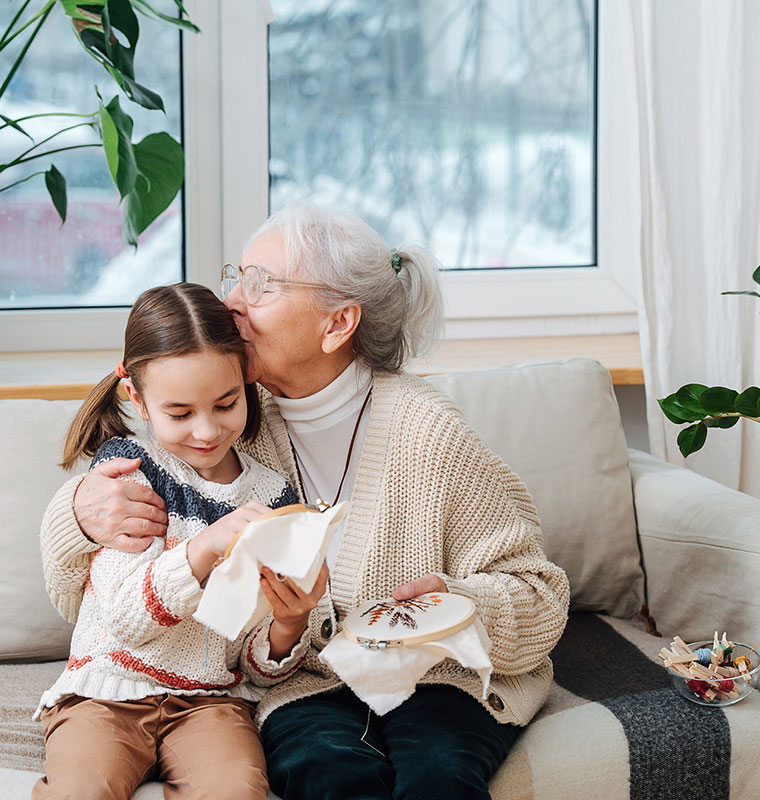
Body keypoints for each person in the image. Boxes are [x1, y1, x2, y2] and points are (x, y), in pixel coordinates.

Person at [40, 204, 570, 800]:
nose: (233, 301)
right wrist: (80, 512)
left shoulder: (428, 433)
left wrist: (459, 602)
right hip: (306, 685)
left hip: (436, 683)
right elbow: (82, 590)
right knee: (327, 777)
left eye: (261, 285)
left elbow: (540, 594)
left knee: (437, 780)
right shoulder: (230, 423)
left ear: (337, 322)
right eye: (236, 276)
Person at [34, 282, 328, 800]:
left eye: (226, 403)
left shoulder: (273, 494)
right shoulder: (128, 472)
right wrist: (204, 548)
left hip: (212, 703)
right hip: (107, 694)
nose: (207, 430)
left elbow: (255, 670)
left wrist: (289, 623)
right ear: (138, 400)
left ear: (246, 383)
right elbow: (126, 615)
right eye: (180, 413)